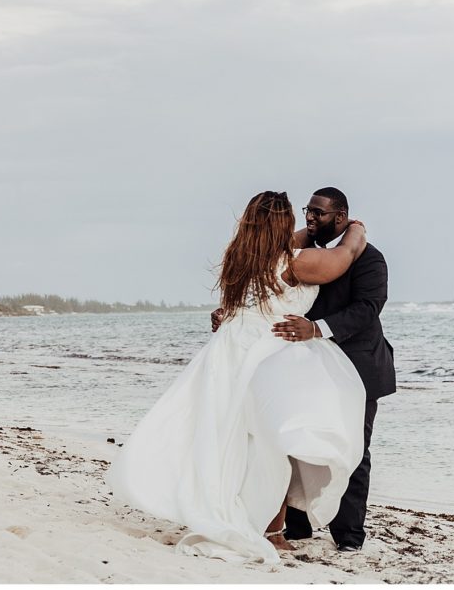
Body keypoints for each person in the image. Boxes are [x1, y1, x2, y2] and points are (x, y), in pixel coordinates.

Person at [107, 191, 368, 564]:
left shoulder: (241, 260)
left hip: (230, 350)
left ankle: (259, 519)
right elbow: (343, 257)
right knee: (269, 442)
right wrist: (357, 229)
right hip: (269, 351)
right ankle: (272, 530)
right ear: (279, 225)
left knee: (234, 439)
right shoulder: (296, 264)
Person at [227, 186, 394, 552]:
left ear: (341, 216)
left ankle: (348, 536)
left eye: (319, 213)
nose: (311, 218)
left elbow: (367, 309)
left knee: (352, 449)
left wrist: (318, 329)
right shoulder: (300, 255)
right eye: (308, 211)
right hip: (302, 366)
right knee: (296, 441)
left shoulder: (369, 259)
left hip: (357, 363)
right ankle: (296, 528)